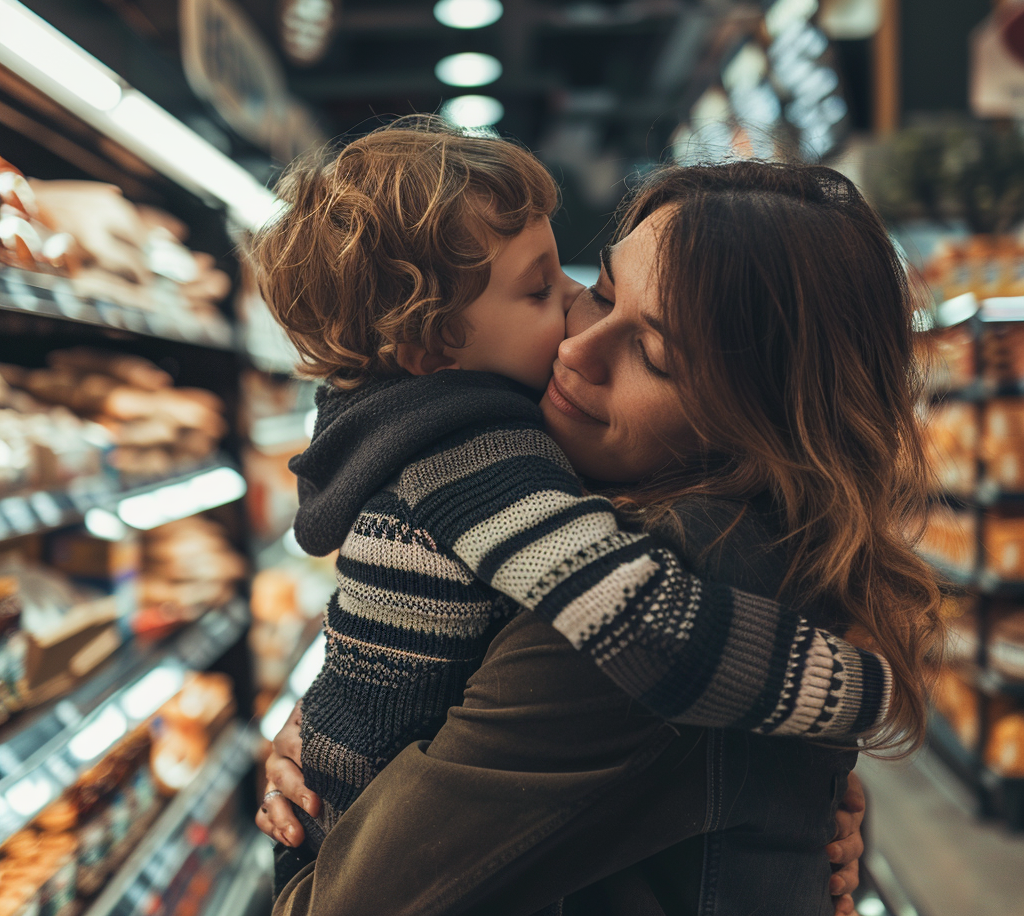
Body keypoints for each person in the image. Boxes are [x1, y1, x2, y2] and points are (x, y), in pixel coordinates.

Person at [258, 148, 944, 914]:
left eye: (652, 354)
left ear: (765, 418)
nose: (576, 347)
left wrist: (330, 798)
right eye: (599, 291)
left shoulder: (625, 607)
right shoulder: (769, 539)